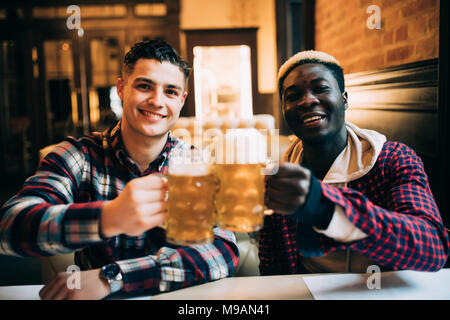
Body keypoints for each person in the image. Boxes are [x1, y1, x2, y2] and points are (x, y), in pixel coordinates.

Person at [0, 40, 239, 300]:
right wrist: (109, 217)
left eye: (170, 92)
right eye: (144, 86)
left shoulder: (196, 165)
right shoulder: (79, 155)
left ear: (181, 101)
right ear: (122, 89)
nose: (157, 101)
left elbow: (223, 251)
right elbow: (9, 227)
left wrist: (114, 277)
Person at [259, 50, 449, 275]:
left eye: (320, 88)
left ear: (344, 99)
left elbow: (433, 247)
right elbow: (272, 270)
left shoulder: (392, 159)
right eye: (293, 96)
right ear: (284, 110)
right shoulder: (278, 179)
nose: (307, 100)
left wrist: (324, 206)